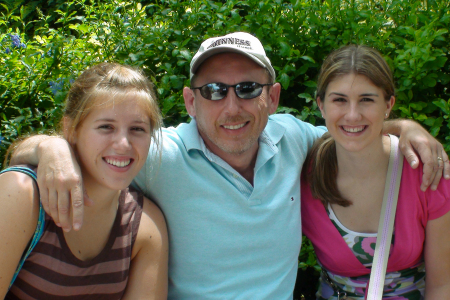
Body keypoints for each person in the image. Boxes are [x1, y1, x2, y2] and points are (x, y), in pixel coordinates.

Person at [9, 32, 450, 299]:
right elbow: (94, 148)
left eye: (246, 88)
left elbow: (353, 131)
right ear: (189, 100)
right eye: (214, 91)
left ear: (273, 98)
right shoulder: (154, 152)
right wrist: (50, 148)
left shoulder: (294, 139)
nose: (232, 106)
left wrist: (404, 127)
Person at [0, 63, 168, 299]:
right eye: (106, 127)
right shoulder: (23, 194)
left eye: (137, 129)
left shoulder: (145, 227)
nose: (123, 144)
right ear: (71, 130)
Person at [301, 45, 450, 299]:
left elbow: (442, 285)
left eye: (366, 100)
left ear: (388, 104)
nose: (352, 114)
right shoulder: (304, 174)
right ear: (321, 105)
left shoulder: (425, 173)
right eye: (339, 100)